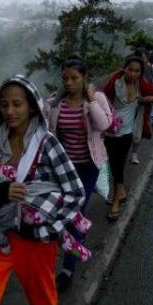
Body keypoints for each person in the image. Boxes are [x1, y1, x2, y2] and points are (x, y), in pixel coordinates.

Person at [0, 74, 85, 305]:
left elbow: (75, 191)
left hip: (37, 237)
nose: (10, 111)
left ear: (32, 105)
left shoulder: (47, 143)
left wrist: (51, 228)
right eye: (4, 104)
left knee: (37, 294)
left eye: (17, 104)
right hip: (0, 235)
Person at [44, 56, 112, 290]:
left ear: (85, 78)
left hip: (88, 165)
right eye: (65, 78)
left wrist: (92, 100)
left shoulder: (96, 99)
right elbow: (46, 129)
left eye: (74, 78)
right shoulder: (55, 104)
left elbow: (104, 125)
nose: (69, 83)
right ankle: (74, 242)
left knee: (74, 213)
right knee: (61, 213)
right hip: (64, 169)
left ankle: (68, 268)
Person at [102, 56, 153, 221]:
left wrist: (151, 98)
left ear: (141, 73)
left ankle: (117, 198)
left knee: (118, 164)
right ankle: (121, 190)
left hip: (127, 133)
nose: (133, 73)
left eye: (137, 71)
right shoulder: (115, 83)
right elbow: (101, 99)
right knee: (113, 164)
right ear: (124, 69)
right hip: (110, 132)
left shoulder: (141, 85)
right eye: (130, 69)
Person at [128, 48, 153, 165]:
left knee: (138, 130)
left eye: (144, 58)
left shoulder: (151, 71)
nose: (142, 61)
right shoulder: (129, 71)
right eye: (140, 58)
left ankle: (134, 153)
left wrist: (150, 97)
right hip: (128, 105)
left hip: (144, 106)